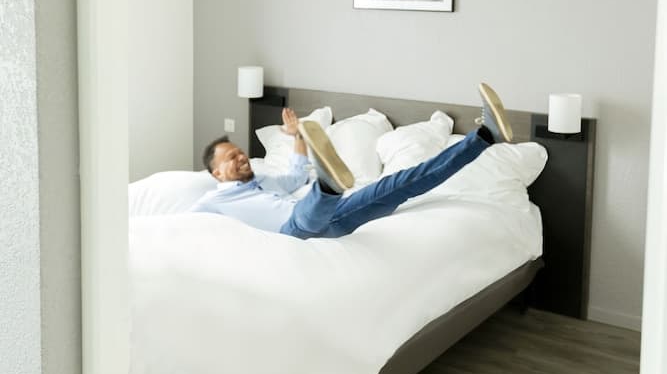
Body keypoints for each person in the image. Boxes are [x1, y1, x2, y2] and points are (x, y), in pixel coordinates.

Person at [190, 82, 513, 240]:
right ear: (216, 172)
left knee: (400, 183)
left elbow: (296, 176)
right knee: (304, 214)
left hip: (334, 220)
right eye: (232, 158)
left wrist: (297, 134)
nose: (242, 157)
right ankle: (328, 185)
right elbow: (176, 231)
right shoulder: (211, 203)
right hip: (293, 232)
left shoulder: (264, 181)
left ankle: (485, 136)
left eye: (240, 152)